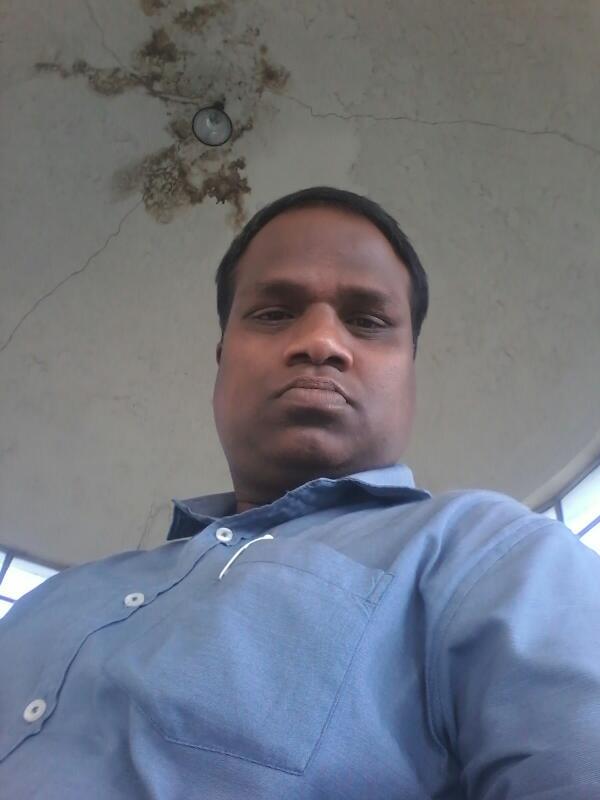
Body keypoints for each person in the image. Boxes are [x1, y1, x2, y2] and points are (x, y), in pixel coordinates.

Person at [1, 187, 599, 800]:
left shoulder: (494, 555)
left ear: (410, 373)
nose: (320, 342)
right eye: (273, 313)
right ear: (222, 359)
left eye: (367, 321)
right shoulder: (47, 601)